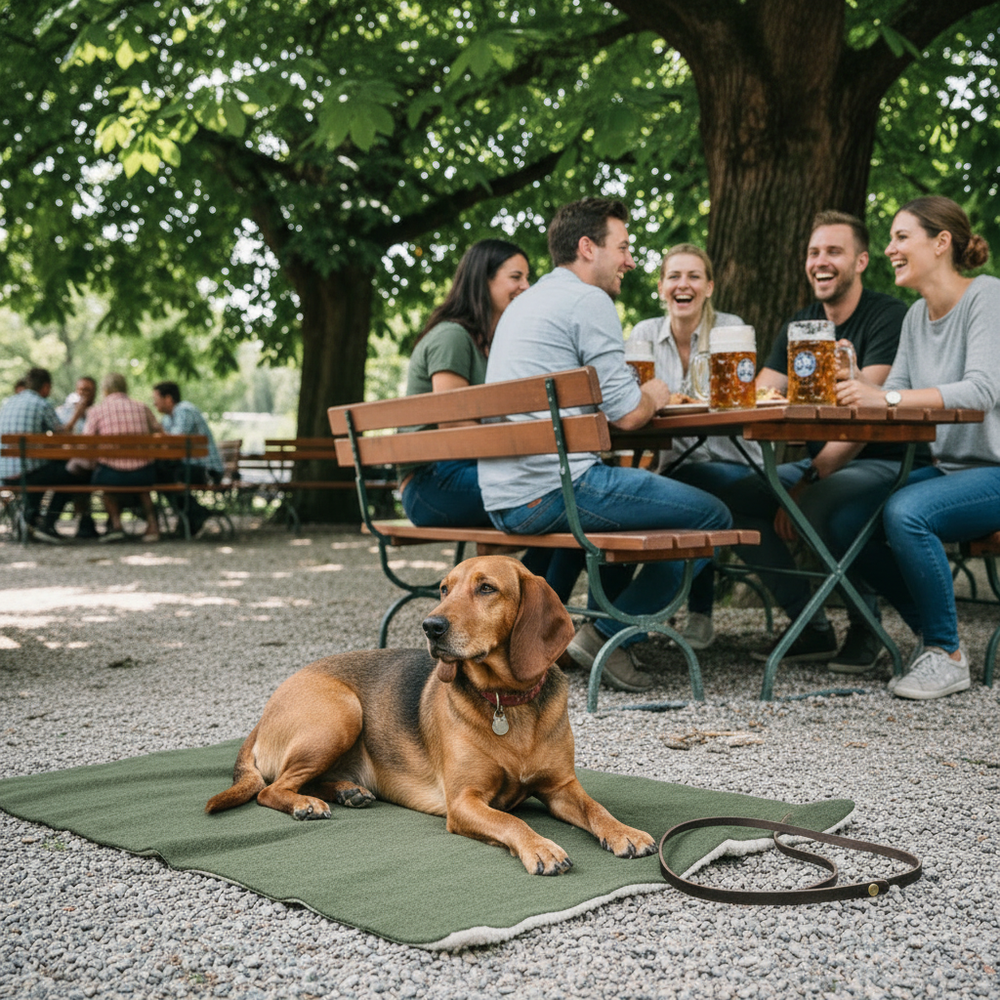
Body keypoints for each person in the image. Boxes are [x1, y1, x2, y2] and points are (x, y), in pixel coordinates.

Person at [478, 197, 732, 692]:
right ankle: (608, 635)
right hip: (555, 491)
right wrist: (655, 391)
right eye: (624, 247)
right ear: (587, 247)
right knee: (714, 518)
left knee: (650, 506)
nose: (631, 260)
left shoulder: (524, 303)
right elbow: (630, 414)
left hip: (506, 493)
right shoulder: (588, 300)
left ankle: (601, 629)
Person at [717, 210, 910, 671]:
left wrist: (808, 476)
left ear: (861, 261)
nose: (820, 262)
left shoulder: (887, 317)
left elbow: (867, 420)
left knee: (820, 501)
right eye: (813, 252)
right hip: (817, 467)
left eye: (834, 252)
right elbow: (760, 394)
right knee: (728, 495)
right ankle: (810, 622)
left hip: (883, 460)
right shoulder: (800, 324)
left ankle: (867, 626)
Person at [831, 196, 999, 700]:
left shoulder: (986, 297)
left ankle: (947, 653)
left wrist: (888, 396)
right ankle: (932, 635)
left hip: (994, 468)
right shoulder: (915, 318)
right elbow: (892, 398)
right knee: (843, 519)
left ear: (941, 242)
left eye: (902, 237)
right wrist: (854, 377)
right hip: (952, 472)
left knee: (907, 511)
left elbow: (982, 389)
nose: (889, 249)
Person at [627, 243, 759, 650]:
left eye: (693, 277)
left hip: (733, 461)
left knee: (695, 488)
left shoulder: (730, 330)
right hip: (673, 466)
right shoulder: (644, 334)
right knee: (680, 490)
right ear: (662, 287)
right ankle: (670, 616)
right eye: (674, 276)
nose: (683, 284)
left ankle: (681, 615)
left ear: (709, 287)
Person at [399, 239, 530, 527]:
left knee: (566, 494)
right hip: (432, 482)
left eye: (527, 278)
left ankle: (535, 576)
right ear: (483, 281)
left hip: (467, 471)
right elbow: (453, 423)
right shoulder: (453, 336)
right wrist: (521, 444)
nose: (525, 287)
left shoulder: (492, 345)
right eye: (516, 277)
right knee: (558, 492)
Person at [0, 367, 92, 542]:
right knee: (70, 475)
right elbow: (62, 436)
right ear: (45, 387)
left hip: (4, 473)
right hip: (26, 473)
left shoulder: (8, 402)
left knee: (47, 472)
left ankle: (31, 521)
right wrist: (77, 415)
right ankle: (47, 524)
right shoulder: (41, 404)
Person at [82, 372, 162, 543]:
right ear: (125, 387)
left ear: (105, 390)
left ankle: (117, 526)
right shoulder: (142, 407)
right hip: (144, 474)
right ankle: (153, 526)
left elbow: (86, 442)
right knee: (144, 489)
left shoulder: (97, 410)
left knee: (105, 485)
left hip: (111, 474)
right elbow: (159, 432)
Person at [152, 381, 224, 537]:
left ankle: (195, 515)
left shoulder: (184, 410)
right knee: (158, 473)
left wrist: (159, 432)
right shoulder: (168, 418)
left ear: (168, 398)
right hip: (190, 467)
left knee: (162, 475)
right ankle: (194, 516)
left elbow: (176, 442)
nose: (153, 403)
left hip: (207, 470)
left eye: (156, 399)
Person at [56, 375, 100, 538]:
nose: (84, 394)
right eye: (81, 390)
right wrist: (77, 414)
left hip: (92, 463)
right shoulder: (63, 412)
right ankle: (85, 520)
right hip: (69, 462)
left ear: (94, 393)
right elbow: (60, 438)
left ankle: (84, 520)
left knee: (79, 474)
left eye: (88, 391)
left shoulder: (99, 412)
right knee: (74, 474)